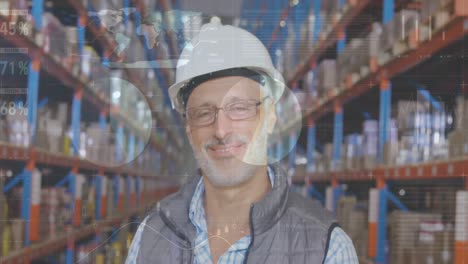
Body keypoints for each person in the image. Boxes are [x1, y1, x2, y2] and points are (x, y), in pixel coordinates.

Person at [125, 17, 358, 264]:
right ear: (189, 129)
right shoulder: (151, 235)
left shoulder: (326, 249)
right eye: (204, 112)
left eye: (239, 108)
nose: (221, 130)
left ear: (270, 116)